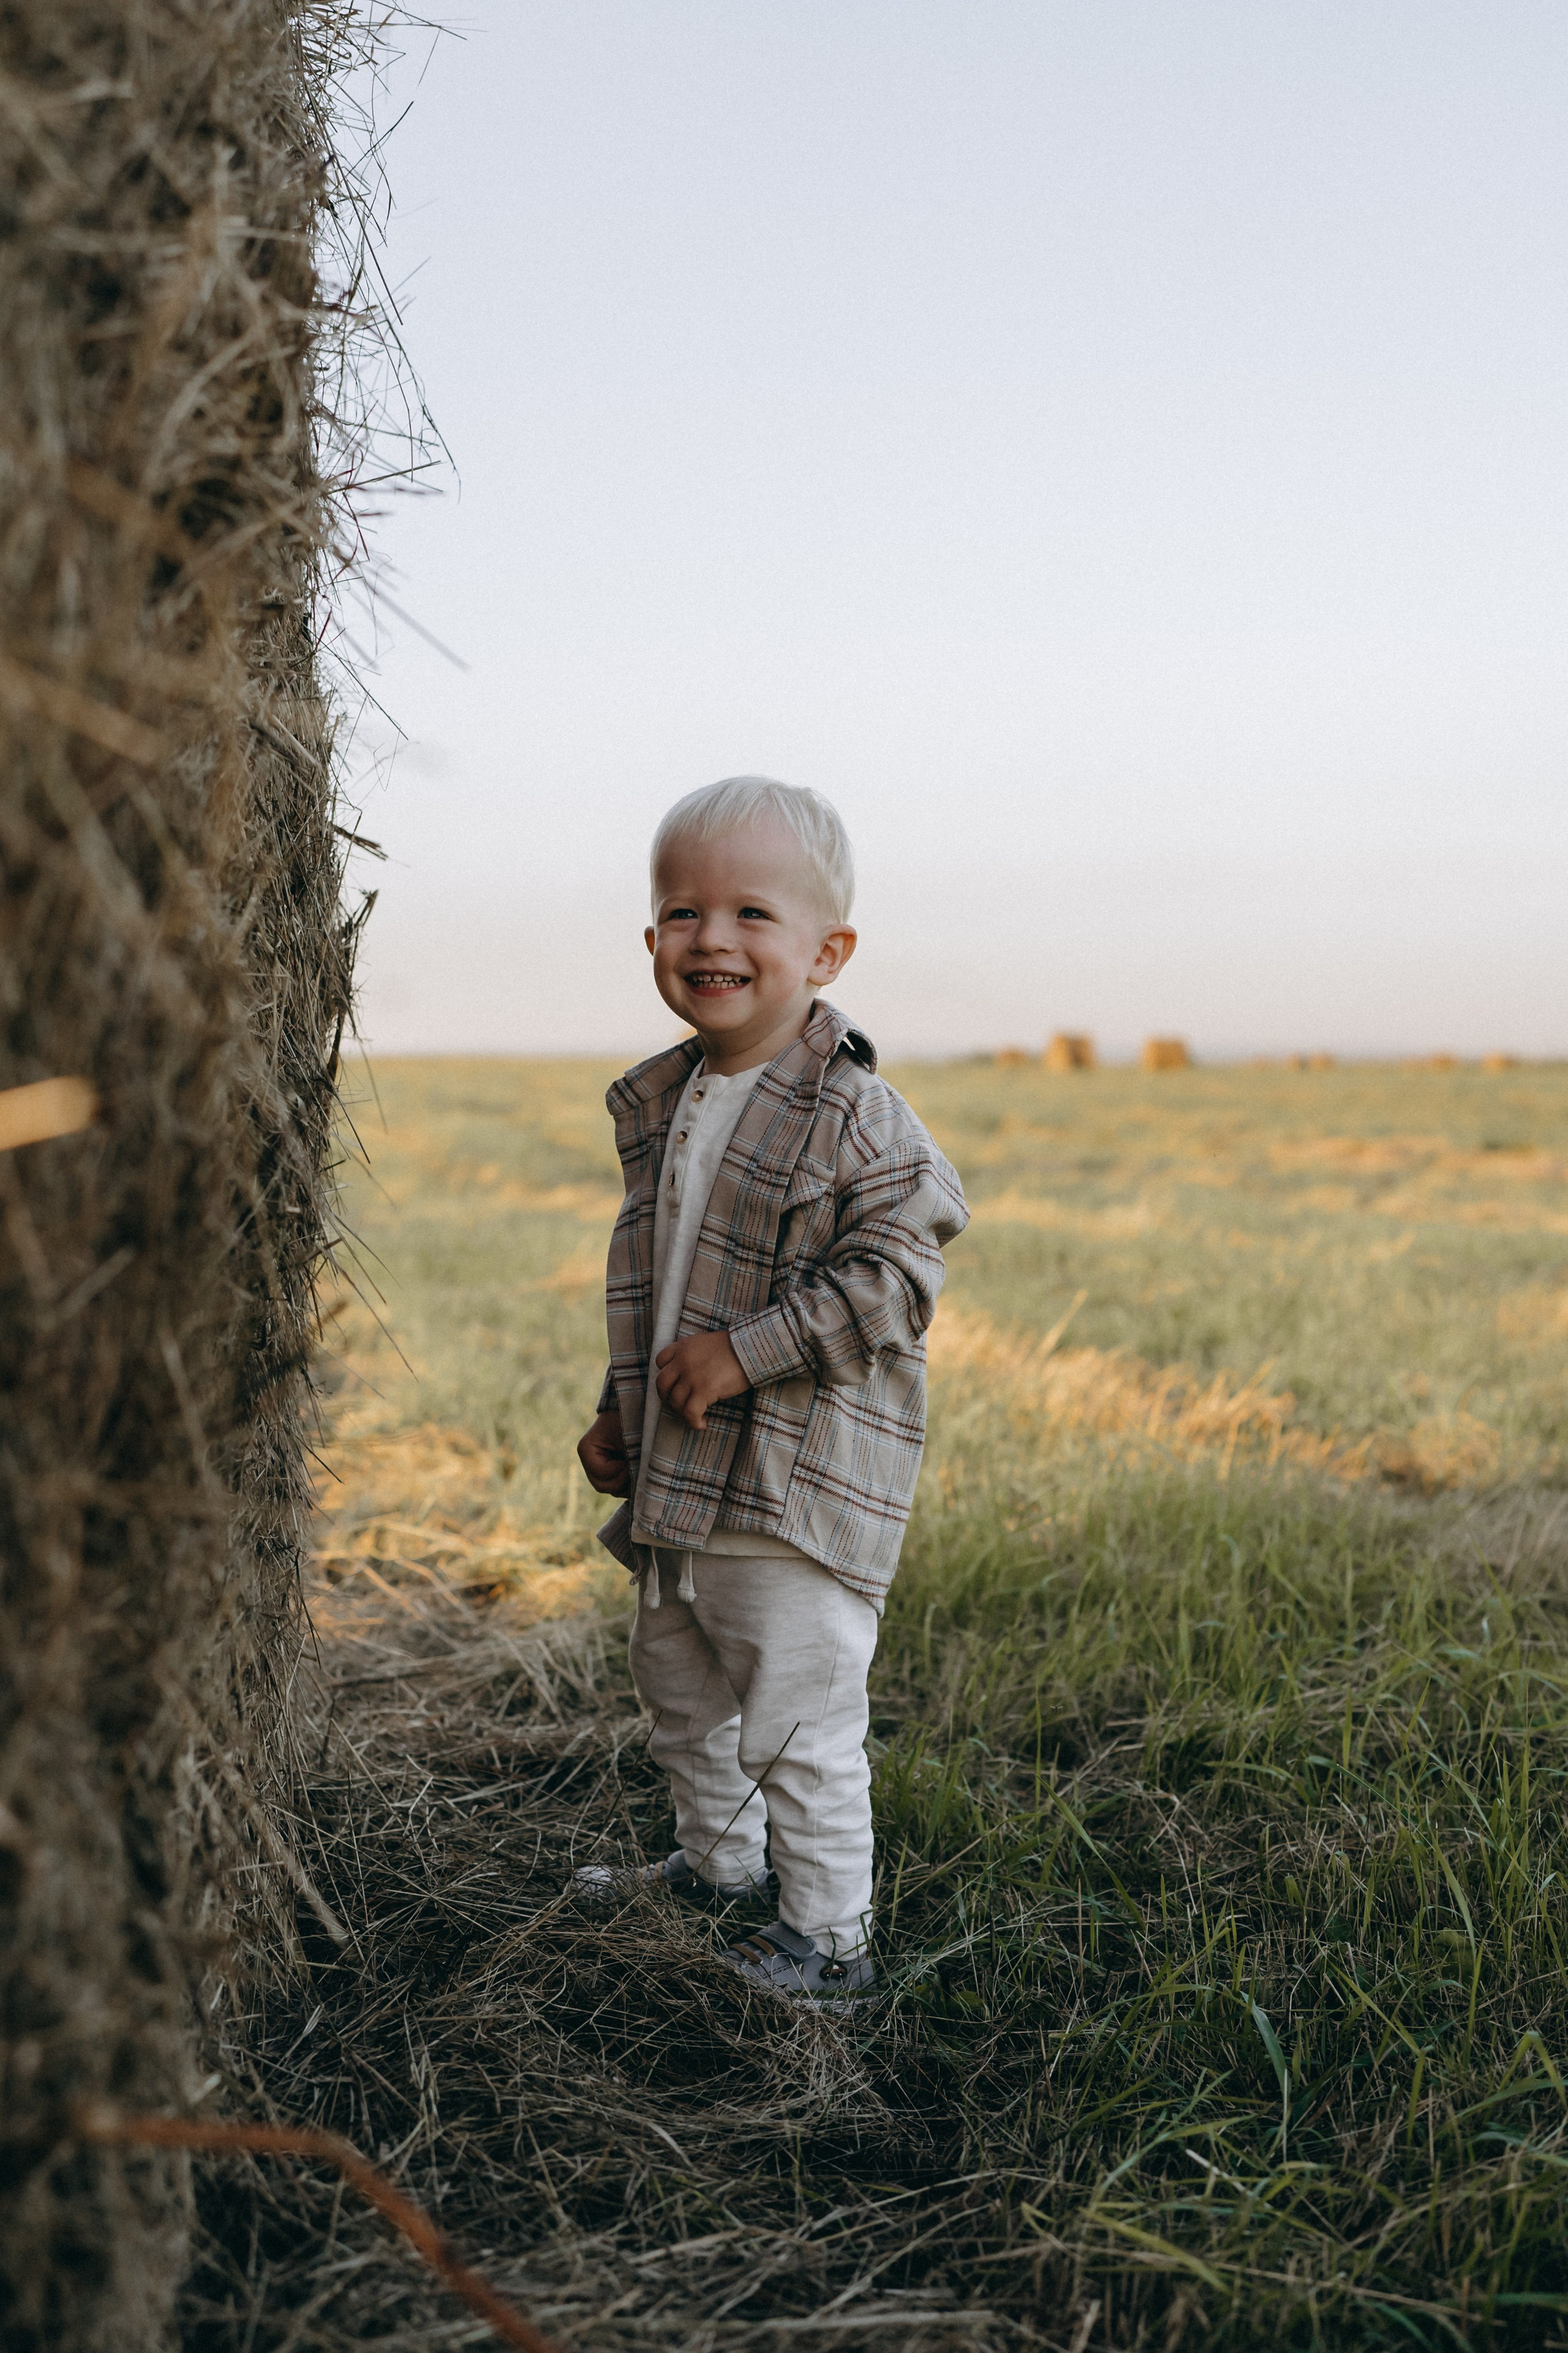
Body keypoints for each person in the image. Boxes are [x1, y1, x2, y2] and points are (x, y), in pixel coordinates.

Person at [575, 776, 968, 2003]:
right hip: (677, 1478)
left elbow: (897, 1278)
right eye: (681, 912)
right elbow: (656, 1277)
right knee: (680, 1693)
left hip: (788, 1489)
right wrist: (617, 1406)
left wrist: (748, 1351)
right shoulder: (671, 1101)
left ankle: (829, 1938)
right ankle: (718, 1869)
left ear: (824, 949)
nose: (711, 938)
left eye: (751, 912)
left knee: (795, 1722)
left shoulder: (857, 1113)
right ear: (650, 940)